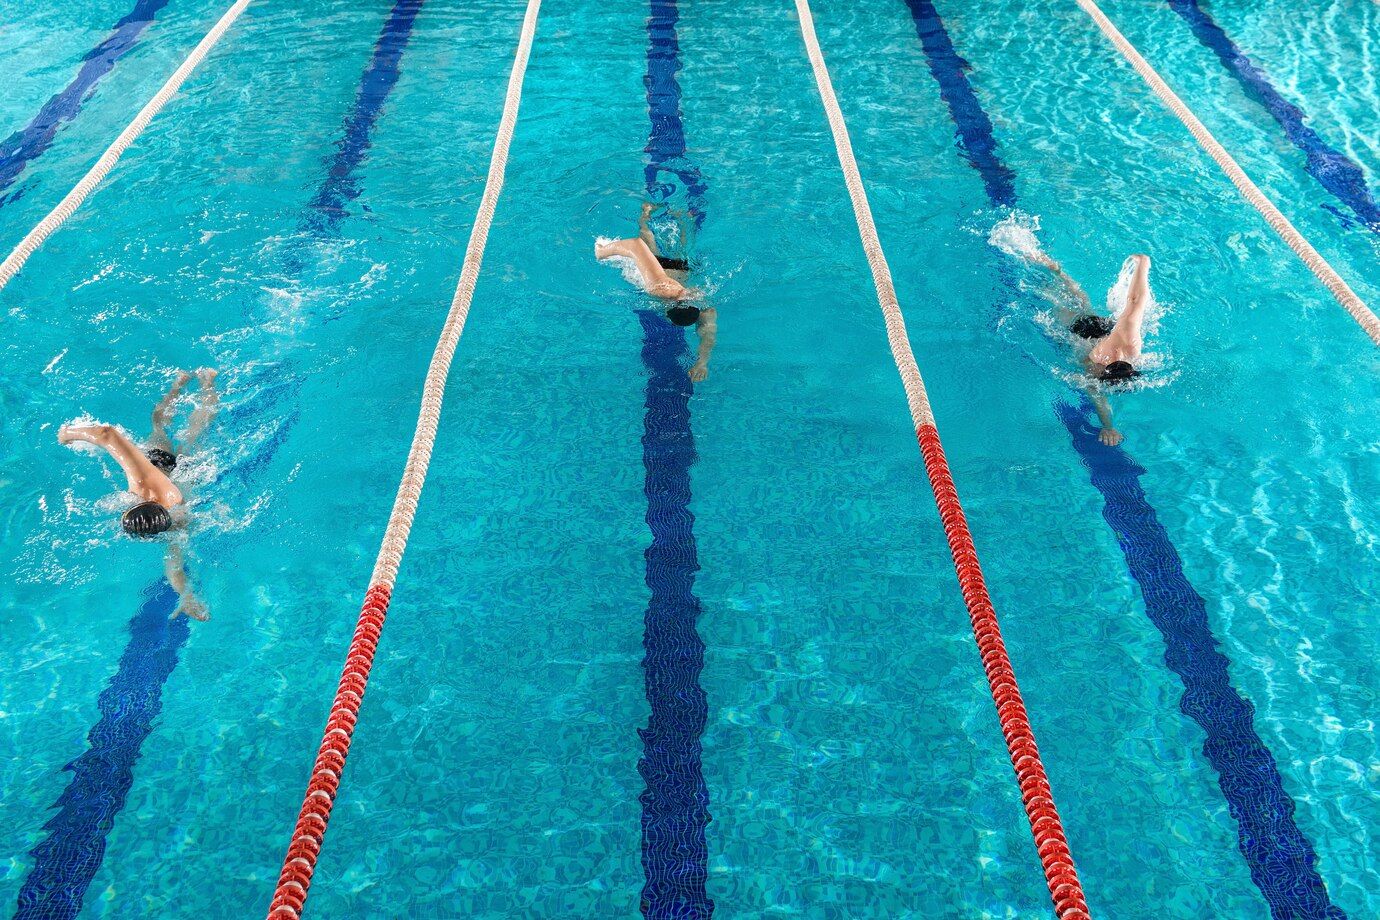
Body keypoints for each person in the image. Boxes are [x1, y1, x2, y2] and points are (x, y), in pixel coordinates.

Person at [58, 368, 219, 620]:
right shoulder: (153, 499)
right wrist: (185, 595)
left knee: (173, 427)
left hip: (174, 468)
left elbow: (107, 433)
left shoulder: (156, 496)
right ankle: (196, 381)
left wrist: (67, 432)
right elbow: (173, 566)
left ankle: (198, 382)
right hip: (172, 470)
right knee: (181, 428)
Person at [1023, 251, 1152, 447]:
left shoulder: (1126, 343)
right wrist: (1143, 266)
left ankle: (1058, 271)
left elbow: (1137, 302)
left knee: (1081, 301)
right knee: (1048, 298)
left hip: (1098, 327)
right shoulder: (1127, 343)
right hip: (1076, 328)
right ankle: (1053, 271)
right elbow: (1096, 395)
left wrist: (1142, 264)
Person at [597, 203, 718, 381]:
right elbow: (635, 244)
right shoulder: (659, 288)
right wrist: (601, 252)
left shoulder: (703, 303)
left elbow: (708, 332)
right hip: (660, 268)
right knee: (646, 239)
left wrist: (702, 363)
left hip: (684, 269)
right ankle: (646, 212)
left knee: (685, 245)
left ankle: (681, 217)